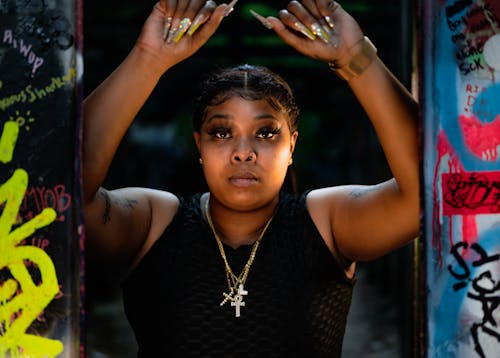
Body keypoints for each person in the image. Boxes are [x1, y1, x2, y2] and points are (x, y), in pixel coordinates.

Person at [83, 0, 419, 356]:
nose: (244, 152)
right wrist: (147, 59)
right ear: (199, 145)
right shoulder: (155, 223)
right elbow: (64, 195)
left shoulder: (323, 223)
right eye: (222, 133)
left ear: (292, 147)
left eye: (266, 133)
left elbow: (426, 197)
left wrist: (356, 58)